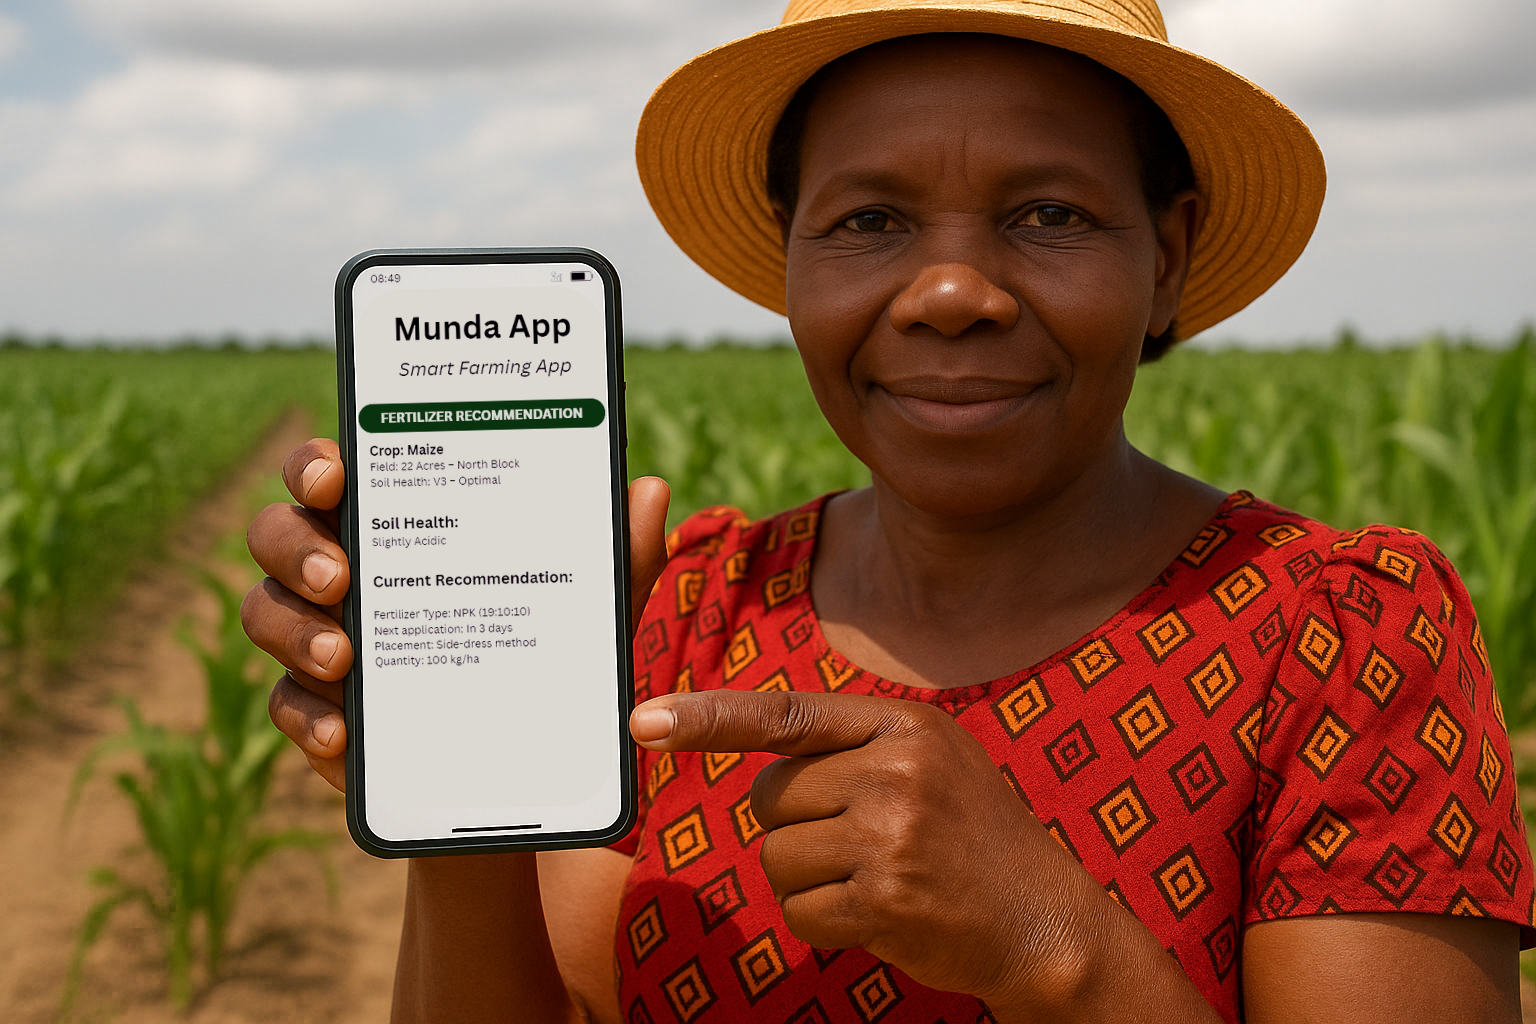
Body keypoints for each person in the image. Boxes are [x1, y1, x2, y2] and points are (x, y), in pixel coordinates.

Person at [242, 2, 1533, 1021]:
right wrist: (463, 795)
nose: (951, 291)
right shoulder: (682, 609)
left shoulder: (1342, 635)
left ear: (1171, 255)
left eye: (1047, 213)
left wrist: (1054, 951)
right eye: (868, 220)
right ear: (791, 253)